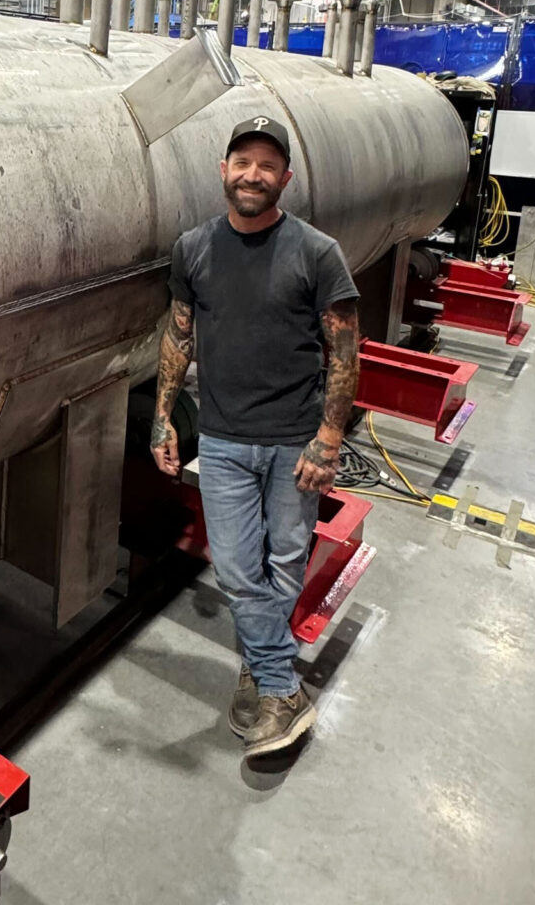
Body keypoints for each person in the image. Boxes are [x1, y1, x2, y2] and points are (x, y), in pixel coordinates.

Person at [150, 116, 360, 759]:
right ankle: (281, 688)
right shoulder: (194, 249)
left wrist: (329, 438)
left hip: (296, 441)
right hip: (223, 440)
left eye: (267, 165)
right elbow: (178, 335)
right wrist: (163, 416)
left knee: (285, 562)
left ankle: (258, 670)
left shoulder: (316, 252)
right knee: (240, 571)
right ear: (224, 170)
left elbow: (345, 351)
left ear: (285, 178)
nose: (253, 174)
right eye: (243, 162)